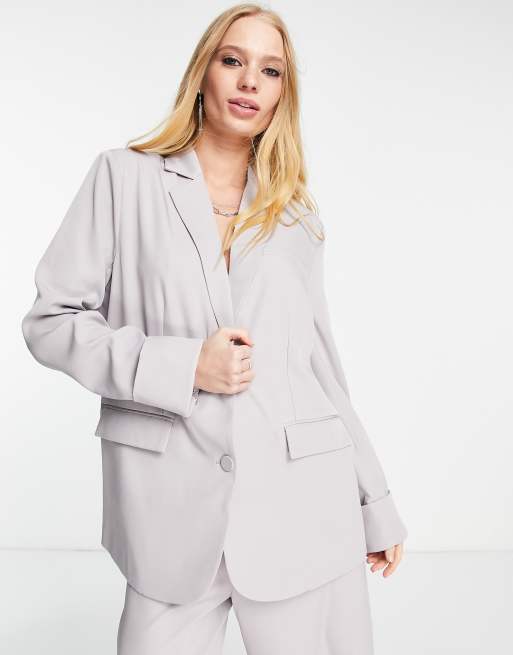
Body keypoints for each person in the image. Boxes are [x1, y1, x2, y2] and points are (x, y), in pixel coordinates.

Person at [21, 4, 408, 654]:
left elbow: (318, 367)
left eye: (270, 70)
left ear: (283, 93)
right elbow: (50, 322)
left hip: (303, 509)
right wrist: (181, 366)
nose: (250, 81)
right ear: (203, 71)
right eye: (233, 60)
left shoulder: (295, 215)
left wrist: (376, 500)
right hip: (167, 517)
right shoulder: (123, 177)